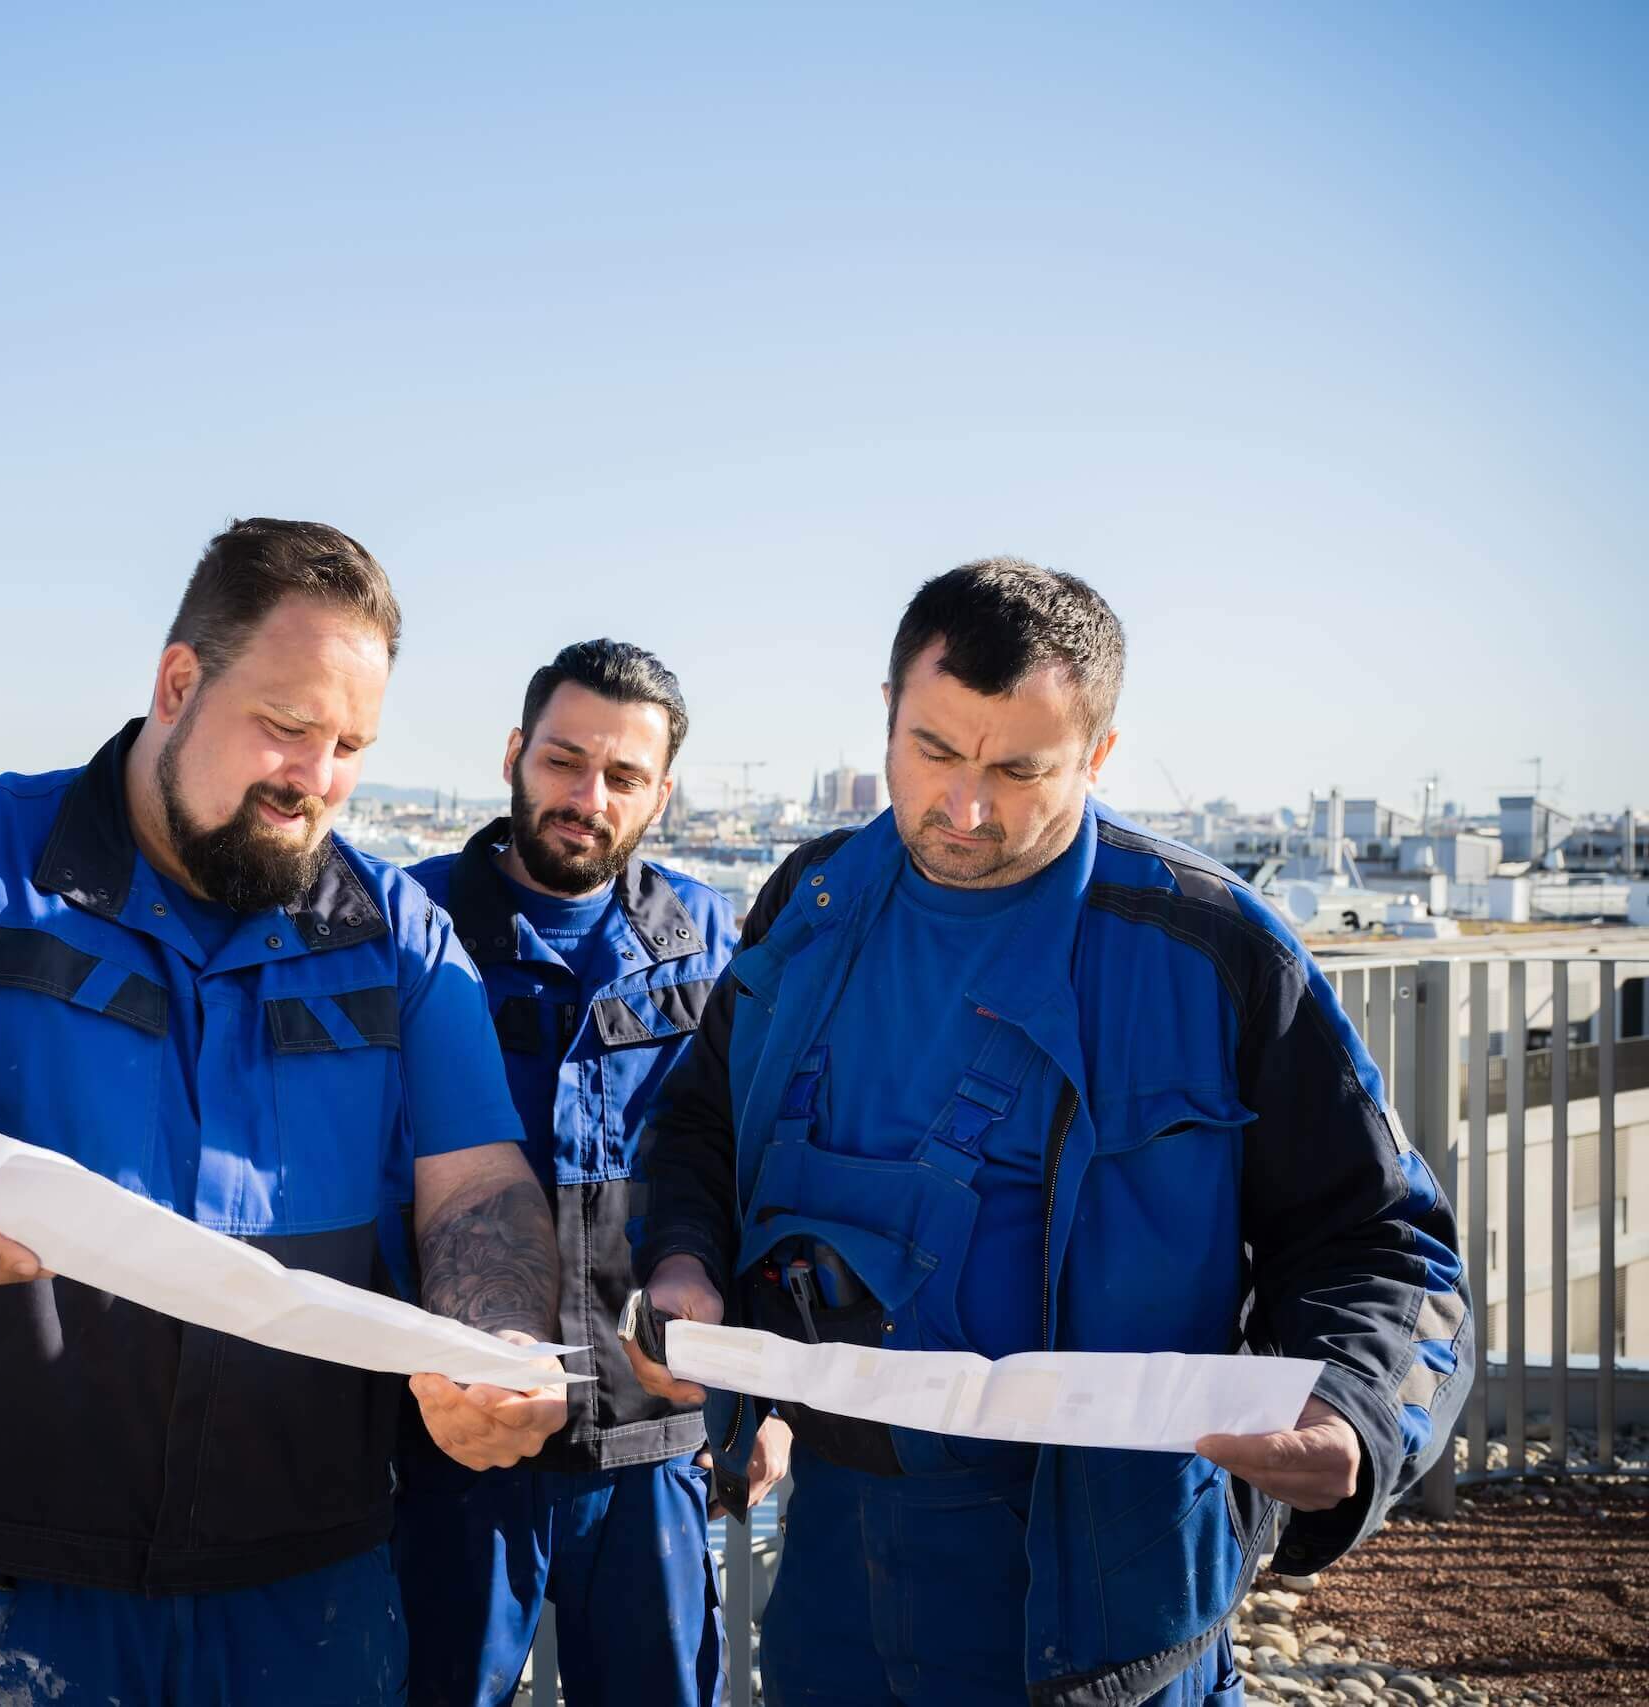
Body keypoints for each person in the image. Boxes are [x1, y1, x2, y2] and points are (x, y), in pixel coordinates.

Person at [0, 518, 569, 1706]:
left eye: (349, 746)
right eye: (284, 727)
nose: (315, 780)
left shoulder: (400, 938)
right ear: (178, 684)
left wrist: (499, 1344)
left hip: (309, 1583)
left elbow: (477, 1188)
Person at [625, 559, 1472, 1707]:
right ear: (886, 711)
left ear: (1099, 756)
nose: (963, 809)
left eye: (1019, 771)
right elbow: (698, 1123)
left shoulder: (1211, 948)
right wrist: (681, 1263)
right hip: (840, 1582)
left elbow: (1383, 1241)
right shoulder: (809, 904)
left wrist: (1356, 1413)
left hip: (1106, 1604)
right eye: (931, 753)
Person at [390, 641, 777, 1707]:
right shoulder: (407, 930)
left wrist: (767, 1406)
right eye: (563, 762)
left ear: (662, 792)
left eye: (622, 777)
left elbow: (761, 1173)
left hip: (648, 1435)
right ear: (514, 754)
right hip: (447, 1436)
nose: (586, 797)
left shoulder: (710, 945)